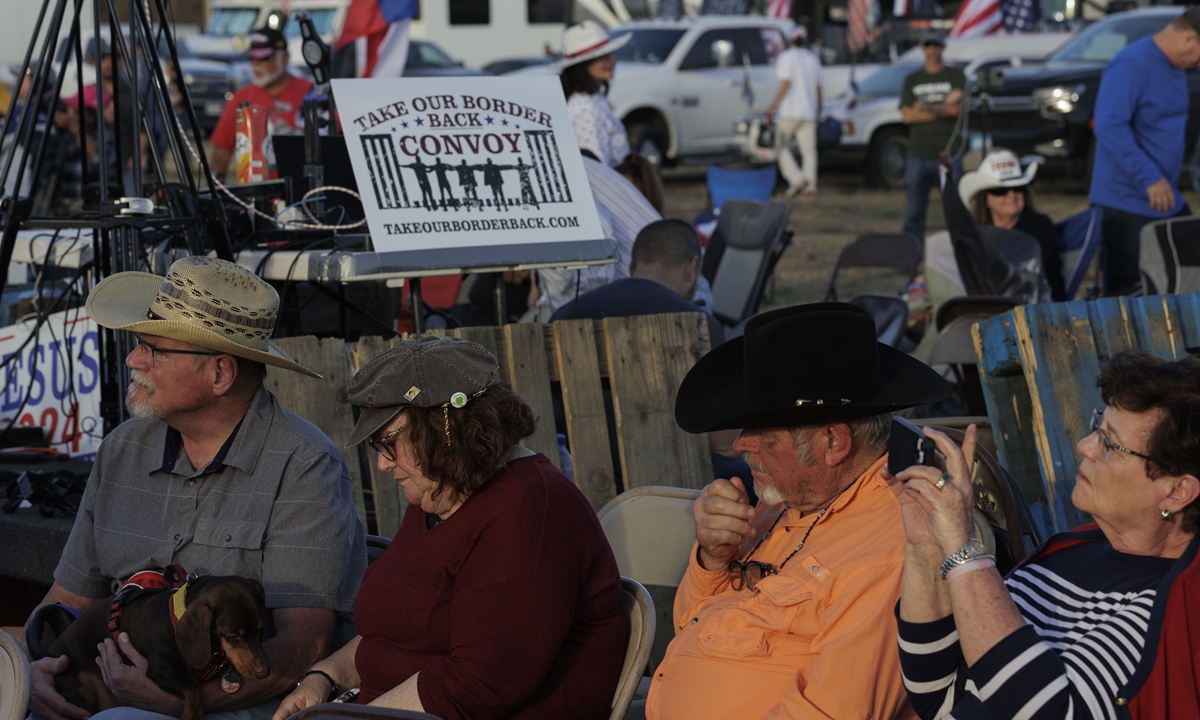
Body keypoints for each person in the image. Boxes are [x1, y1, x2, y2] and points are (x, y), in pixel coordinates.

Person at [26, 257, 367, 720]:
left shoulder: (305, 465)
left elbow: (303, 646)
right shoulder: (122, 448)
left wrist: (182, 705)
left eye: (154, 349)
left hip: (237, 706)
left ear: (221, 374)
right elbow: (66, 602)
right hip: (100, 694)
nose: (133, 359)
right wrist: (36, 675)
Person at [273, 336, 627, 720]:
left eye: (389, 442)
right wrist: (323, 677)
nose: (383, 465)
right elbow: (394, 629)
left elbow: (482, 680)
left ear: (445, 430)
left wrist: (350, 719)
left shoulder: (531, 506)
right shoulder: (440, 492)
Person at [635, 302, 952, 720]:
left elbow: (832, 712)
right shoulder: (790, 499)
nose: (740, 445)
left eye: (764, 434)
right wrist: (713, 558)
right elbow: (693, 627)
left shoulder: (893, 549)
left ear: (833, 443)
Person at [891, 351, 1200, 720]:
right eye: (1097, 426)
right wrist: (926, 545)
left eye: (1110, 444)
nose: (1085, 445)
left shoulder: (1174, 607)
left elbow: (1047, 713)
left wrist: (964, 549)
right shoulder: (1068, 553)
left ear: (1177, 491)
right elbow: (938, 695)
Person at [1089, 9, 1200, 297]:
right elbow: (1109, 126)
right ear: (1190, 39)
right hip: (1126, 204)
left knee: (1183, 282)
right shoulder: (1131, 64)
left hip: (1166, 199)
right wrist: (1149, 177)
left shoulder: (1174, 66)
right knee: (1129, 297)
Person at [535, 155, 661, 312]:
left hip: (610, 310)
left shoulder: (554, 170)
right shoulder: (568, 164)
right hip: (634, 302)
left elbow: (597, 267)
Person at [209, 28, 314, 179]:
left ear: (285, 57)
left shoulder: (310, 92)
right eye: (252, 58)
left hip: (303, 193)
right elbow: (221, 153)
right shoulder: (241, 97)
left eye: (264, 58)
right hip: (256, 195)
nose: (255, 64)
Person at [959, 150, 1065, 300]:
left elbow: (1022, 272)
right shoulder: (976, 231)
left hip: (1040, 309)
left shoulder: (1040, 226)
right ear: (985, 198)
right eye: (1000, 190)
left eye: (1018, 187)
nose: (1011, 194)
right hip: (992, 306)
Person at [900, 33, 965, 245]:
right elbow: (908, 116)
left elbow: (956, 112)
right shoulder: (912, 79)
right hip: (917, 153)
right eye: (928, 45)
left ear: (943, 47)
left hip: (947, 153)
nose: (932, 49)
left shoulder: (955, 76)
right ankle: (911, 253)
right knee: (914, 212)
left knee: (954, 210)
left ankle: (960, 252)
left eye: (936, 45)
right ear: (922, 48)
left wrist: (924, 107)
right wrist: (943, 106)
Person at [560, 21, 631, 168]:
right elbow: (597, 168)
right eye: (602, 57)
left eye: (610, 54)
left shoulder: (592, 99)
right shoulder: (586, 109)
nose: (611, 60)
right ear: (583, 65)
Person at [764, 25, 822, 198]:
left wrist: (773, 105)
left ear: (790, 40)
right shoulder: (813, 58)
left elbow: (786, 83)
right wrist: (819, 107)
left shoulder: (786, 57)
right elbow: (819, 86)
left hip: (790, 111)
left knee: (778, 145)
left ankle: (797, 179)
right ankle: (809, 185)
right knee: (809, 151)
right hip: (809, 111)